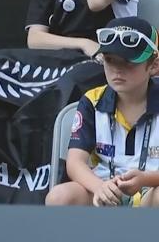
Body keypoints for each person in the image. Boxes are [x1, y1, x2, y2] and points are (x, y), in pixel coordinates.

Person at [46, 17, 159, 207]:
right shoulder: (91, 100)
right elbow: (75, 162)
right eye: (110, 60)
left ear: (154, 66)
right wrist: (99, 187)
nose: (117, 70)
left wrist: (145, 180)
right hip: (104, 188)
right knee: (59, 197)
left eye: (128, 62)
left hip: (151, 189)